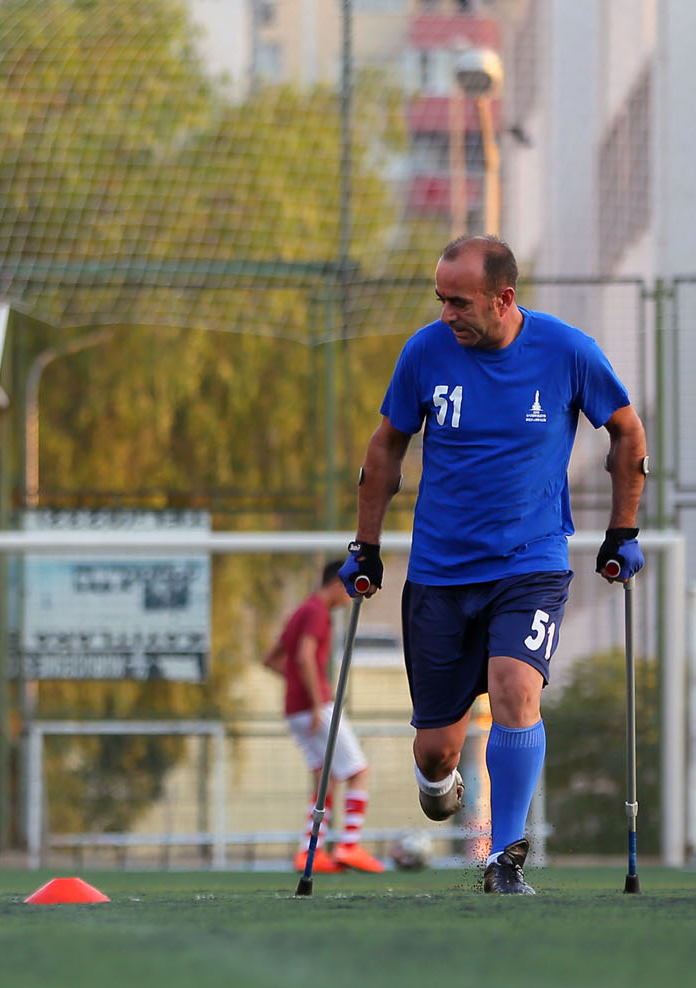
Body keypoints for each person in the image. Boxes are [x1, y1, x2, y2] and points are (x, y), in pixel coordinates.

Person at [341, 235, 647, 894]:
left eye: (460, 302)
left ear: (503, 299)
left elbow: (626, 429)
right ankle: (437, 785)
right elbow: (387, 445)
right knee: (437, 751)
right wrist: (365, 546)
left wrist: (623, 530)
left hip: (530, 563)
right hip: (440, 575)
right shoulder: (424, 352)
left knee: (515, 689)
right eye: (441, 299)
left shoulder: (568, 352)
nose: (446, 314)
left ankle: (504, 857)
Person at [265, 559, 383, 875]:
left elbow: (271, 660)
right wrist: (317, 701)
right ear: (336, 582)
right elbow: (304, 656)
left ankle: (310, 852)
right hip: (315, 707)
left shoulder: (300, 611)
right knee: (358, 771)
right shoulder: (317, 612)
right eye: (350, 588)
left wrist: (297, 686)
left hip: (295, 710)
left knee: (325, 780)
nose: (351, 596)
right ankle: (349, 845)